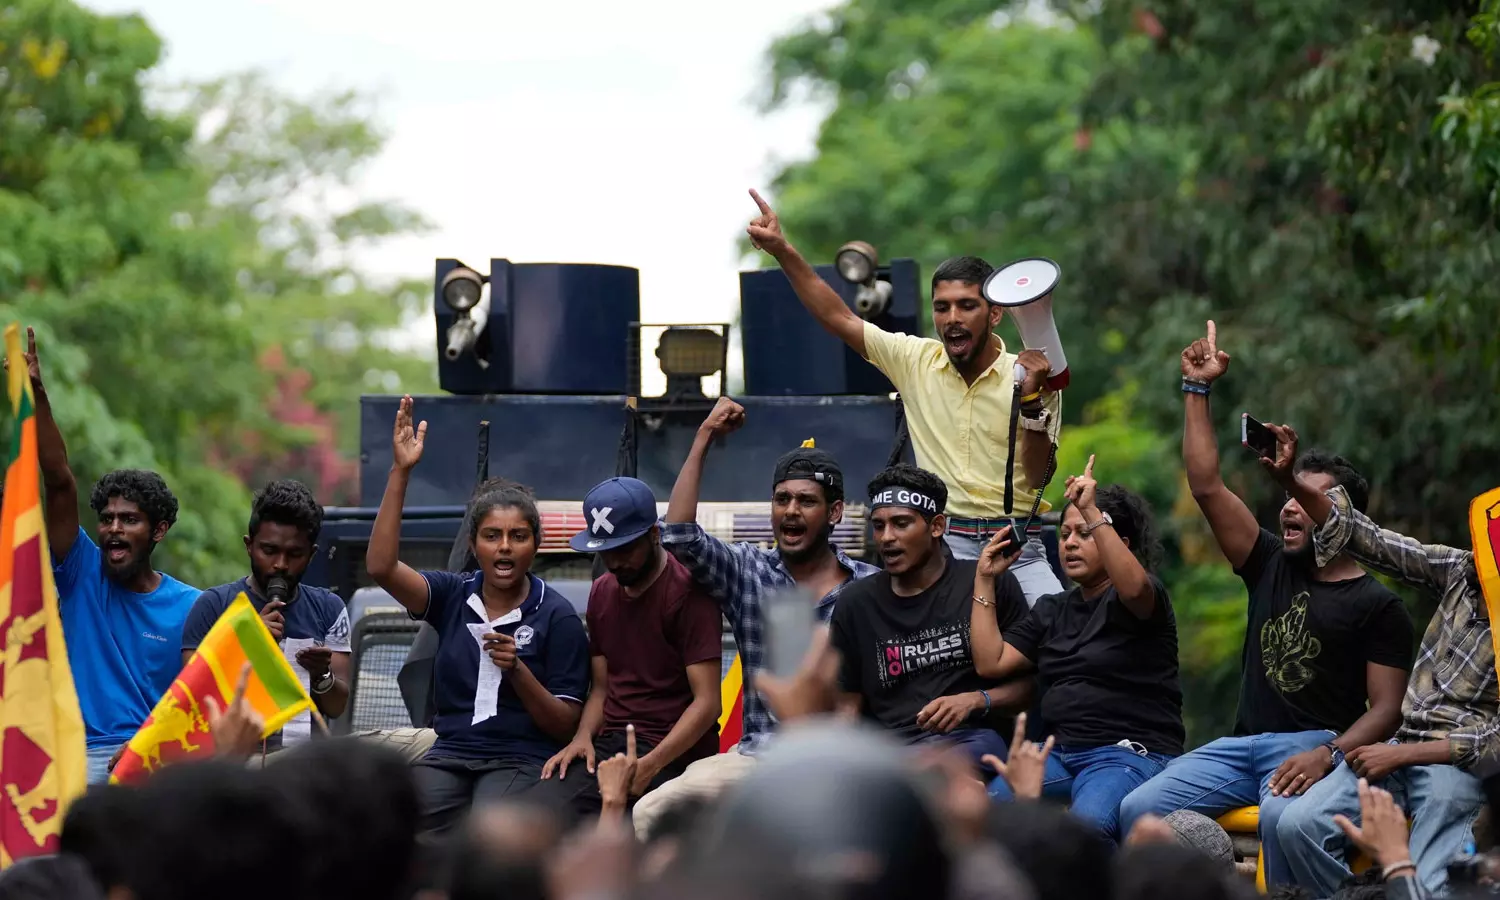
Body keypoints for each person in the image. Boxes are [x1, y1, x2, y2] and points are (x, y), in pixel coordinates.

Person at [1118, 322, 1414, 887]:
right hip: (1240, 747)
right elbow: (1206, 486)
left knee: (1283, 821)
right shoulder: (1269, 561)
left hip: (1316, 745)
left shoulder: (1379, 606)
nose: (1290, 508)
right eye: (1288, 495)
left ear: (1346, 518)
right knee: (1138, 808)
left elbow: (1387, 710)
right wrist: (1196, 389)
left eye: (1309, 499)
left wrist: (1329, 754)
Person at [745, 190, 1063, 604]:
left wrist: (1032, 399)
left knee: (1056, 626)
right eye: (942, 307)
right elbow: (838, 316)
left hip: (1017, 546)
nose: (952, 318)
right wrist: (783, 251)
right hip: (942, 547)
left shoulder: (1031, 374)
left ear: (995, 313)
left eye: (967, 306)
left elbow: (1039, 478)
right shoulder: (915, 359)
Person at [628, 396, 879, 837]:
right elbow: (679, 534)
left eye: (806, 501)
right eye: (782, 499)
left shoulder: (870, 586)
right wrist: (705, 435)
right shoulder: (748, 570)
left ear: (835, 512)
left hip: (843, 759)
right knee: (651, 812)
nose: (791, 511)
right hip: (758, 757)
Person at [1262, 424, 1496, 897]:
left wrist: (1401, 753)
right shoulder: (1462, 569)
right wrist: (1290, 481)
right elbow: (1370, 540)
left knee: (1429, 884)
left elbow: (1492, 743)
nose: (1482, 551)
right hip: (1396, 750)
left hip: (1455, 770)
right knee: (1296, 826)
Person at [365, 396, 590, 837]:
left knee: (489, 838)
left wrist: (518, 671)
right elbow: (381, 567)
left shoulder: (557, 615)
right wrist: (401, 471)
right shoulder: (452, 594)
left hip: (520, 759)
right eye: (492, 535)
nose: (504, 546)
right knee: (397, 827)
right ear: (474, 545)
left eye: (518, 536)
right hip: (449, 755)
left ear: (535, 545)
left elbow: (565, 725)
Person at [12, 327, 199, 783]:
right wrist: (38, 396)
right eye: (108, 518)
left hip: (151, 762)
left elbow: (198, 704)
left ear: (158, 531)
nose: (114, 528)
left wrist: (151, 747)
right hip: (75, 756)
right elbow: (59, 481)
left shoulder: (193, 605)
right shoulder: (80, 571)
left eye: (129, 520)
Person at [974, 455, 1184, 846]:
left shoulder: (1141, 598)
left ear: (1118, 544)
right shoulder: (1053, 608)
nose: (1069, 543)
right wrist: (985, 579)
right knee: (986, 816)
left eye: (1084, 533)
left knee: (1085, 833)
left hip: (1128, 754)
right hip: (1059, 753)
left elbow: (1134, 587)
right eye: (1065, 533)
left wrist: (1091, 510)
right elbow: (991, 662)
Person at [541, 477, 723, 822]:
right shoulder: (601, 591)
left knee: (635, 823)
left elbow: (708, 703)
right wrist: (582, 736)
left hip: (674, 751)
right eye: (606, 551)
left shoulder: (688, 593)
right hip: (612, 744)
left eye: (625, 549)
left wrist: (651, 764)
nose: (614, 562)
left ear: (654, 534)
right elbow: (603, 688)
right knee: (541, 810)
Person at [827, 464, 1032, 768]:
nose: (886, 537)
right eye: (879, 525)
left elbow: (1030, 688)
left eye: (901, 524)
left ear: (936, 526)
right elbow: (847, 705)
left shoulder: (987, 581)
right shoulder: (855, 603)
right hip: (889, 754)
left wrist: (976, 700)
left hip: (971, 742)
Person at [181, 479, 352, 752]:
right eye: (269, 551)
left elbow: (337, 707)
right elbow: (194, 700)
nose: (280, 565)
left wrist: (321, 674)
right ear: (249, 546)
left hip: (304, 764)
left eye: (294, 554)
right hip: (236, 763)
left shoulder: (330, 608)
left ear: (311, 554)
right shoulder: (213, 606)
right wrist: (248, 645)